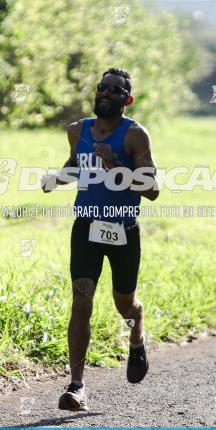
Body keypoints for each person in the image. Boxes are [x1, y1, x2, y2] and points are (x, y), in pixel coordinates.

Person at [41, 68, 159, 411]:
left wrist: (117, 166)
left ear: (127, 99)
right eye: (102, 87)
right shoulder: (77, 131)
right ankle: (76, 385)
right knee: (81, 301)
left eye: (115, 89)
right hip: (87, 226)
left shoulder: (135, 136)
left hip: (123, 229)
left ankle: (137, 336)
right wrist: (56, 179)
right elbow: (75, 165)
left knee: (125, 304)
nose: (106, 92)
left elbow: (152, 190)